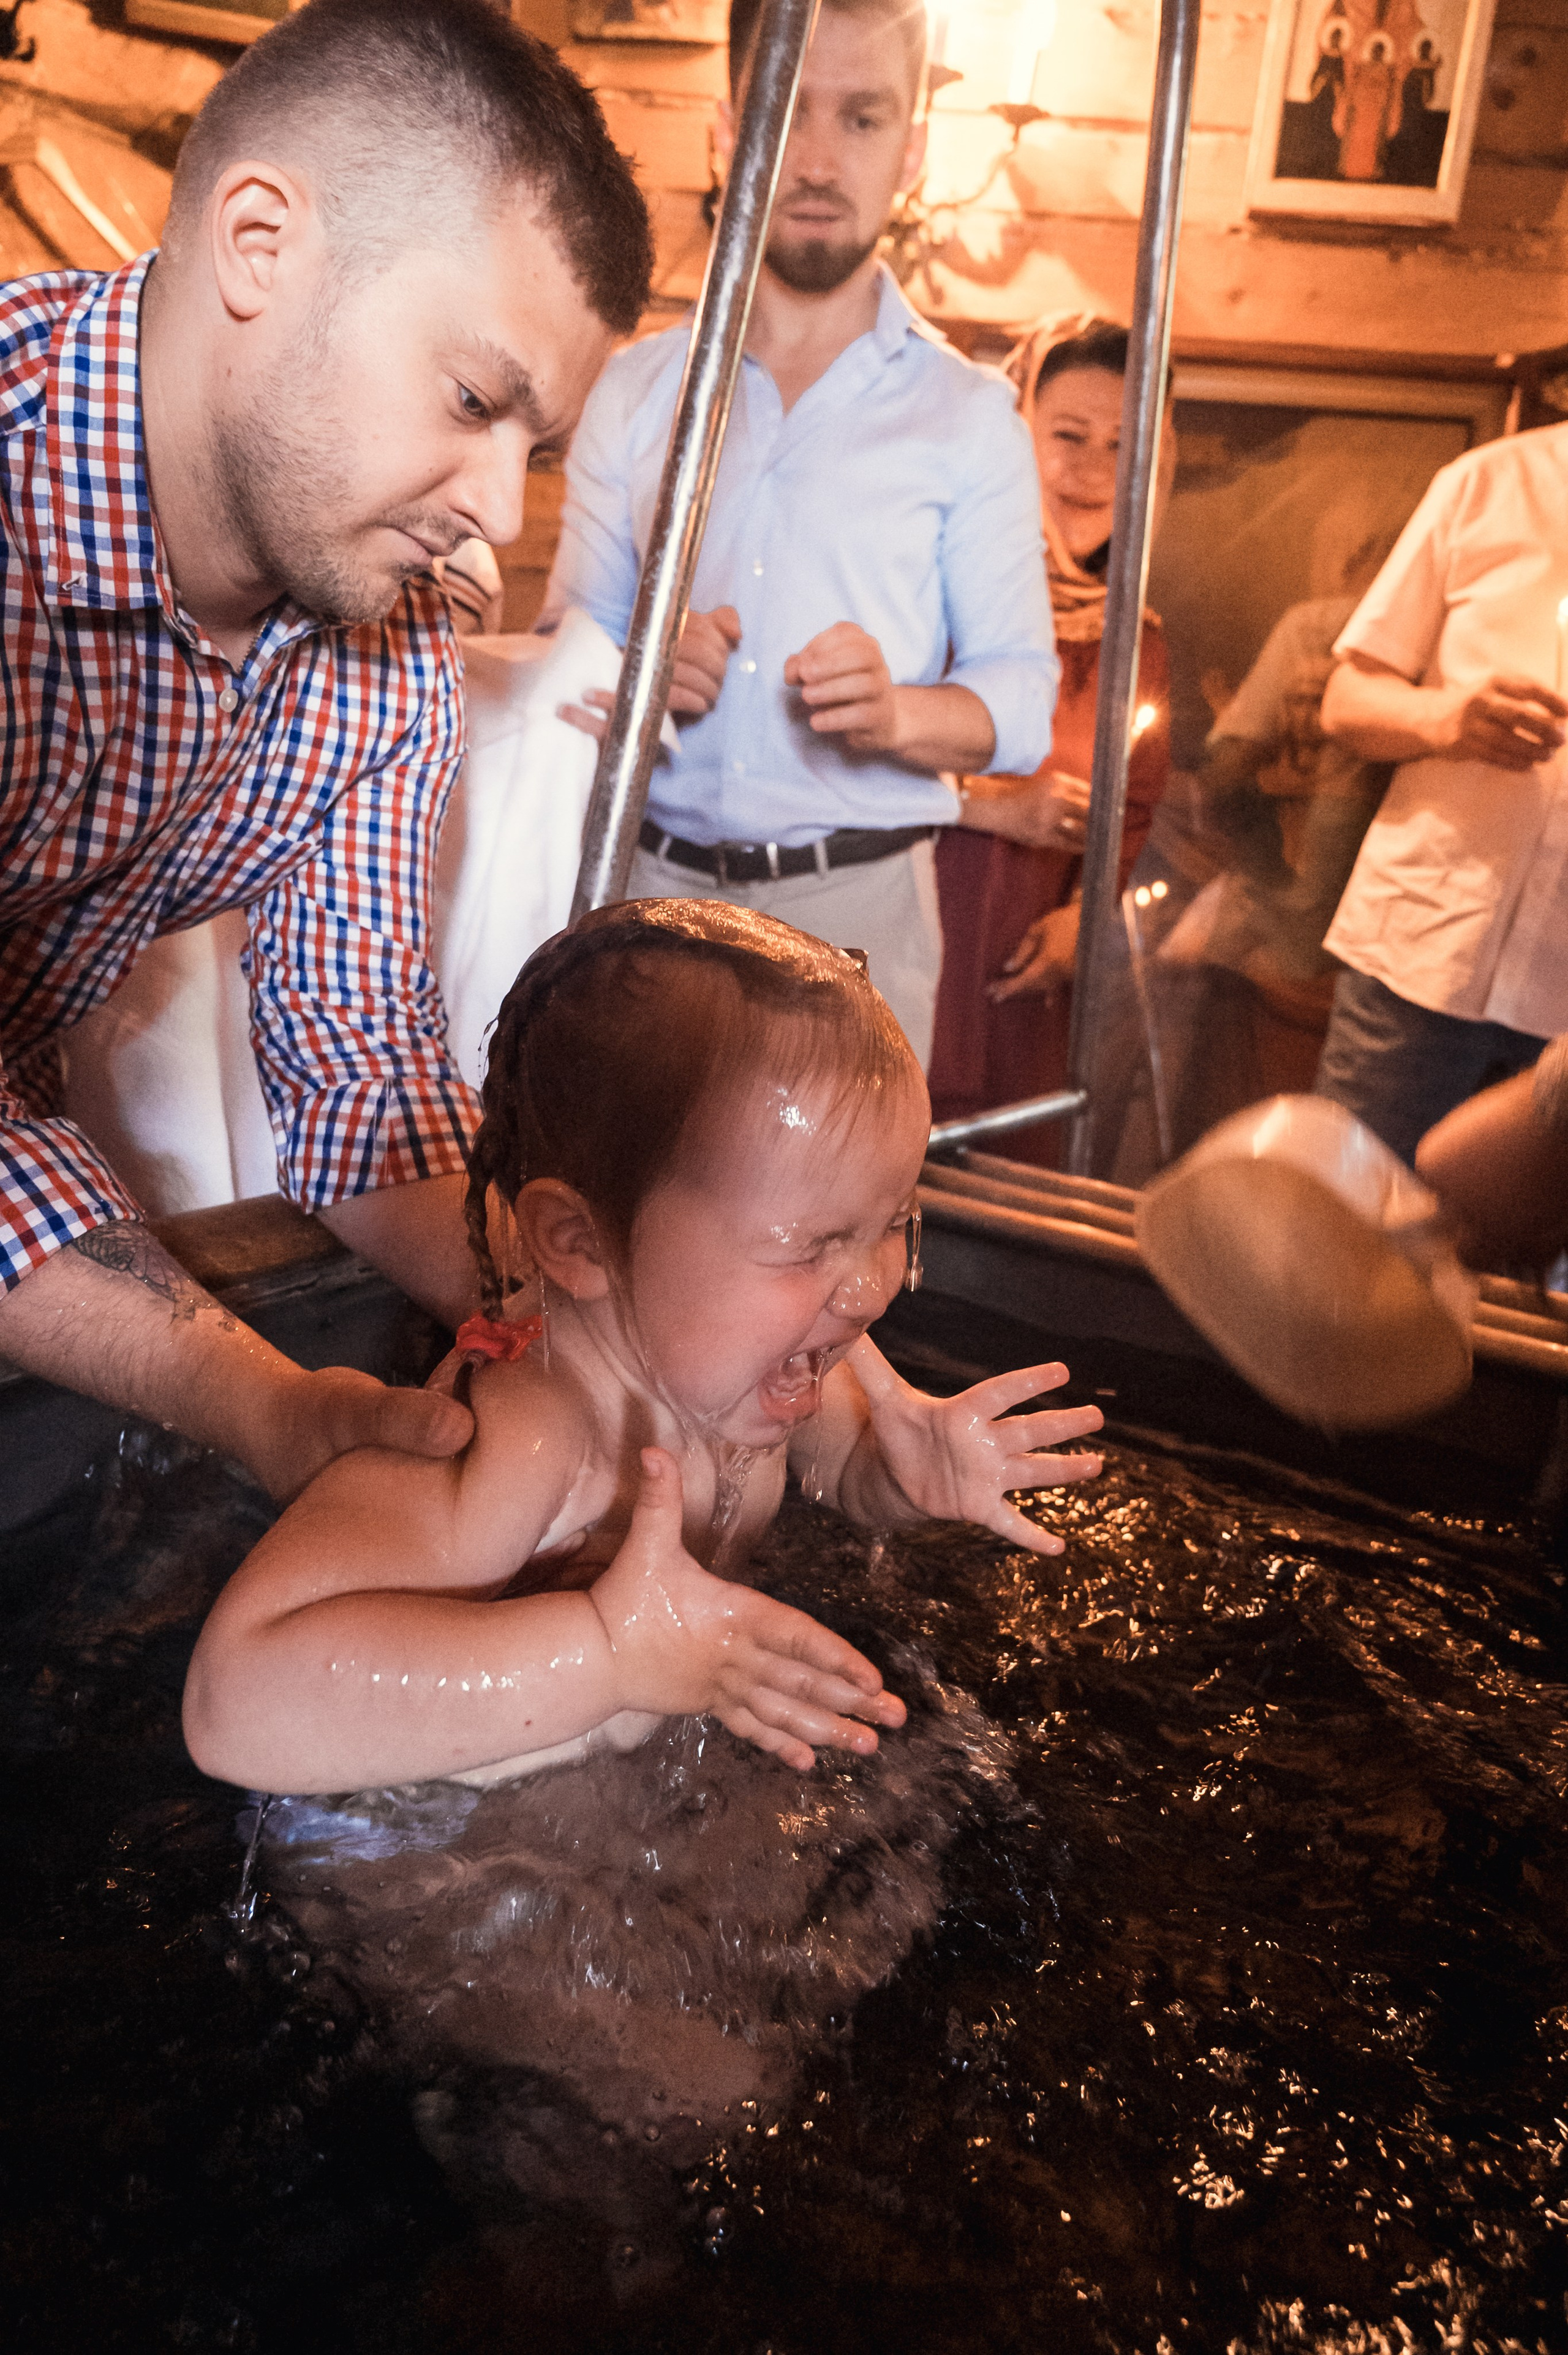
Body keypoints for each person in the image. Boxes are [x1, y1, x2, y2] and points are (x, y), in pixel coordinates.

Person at [0, 0, 652, 1499]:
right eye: (472, 400)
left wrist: (629, 1347)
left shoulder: (384, 639)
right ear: (260, 245)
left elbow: (358, 1065)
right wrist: (266, 1404)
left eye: (532, 447)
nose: (499, 511)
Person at [180, 902, 1106, 1796]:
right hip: (440, 1868)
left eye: (893, 1223)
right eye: (810, 1243)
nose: (870, 1287)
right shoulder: (526, 1434)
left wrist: (898, 1478)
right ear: (577, 1243)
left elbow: (848, 1465)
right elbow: (238, 1700)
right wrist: (604, 1652)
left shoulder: (758, 1367)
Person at [548, 0, 1056, 1069]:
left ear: (912, 150)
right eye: (788, 114)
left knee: (840, 1236)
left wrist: (898, 715)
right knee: (627, 1214)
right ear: (729, 136)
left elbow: (1021, 704)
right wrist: (636, 668)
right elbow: (559, 653)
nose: (818, 160)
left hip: (861, 914)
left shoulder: (972, 418)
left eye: (863, 120)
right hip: (643, 897)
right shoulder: (637, 391)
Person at [925, 317, 1170, 1166]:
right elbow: (847, 763)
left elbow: (1135, 812)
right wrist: (996, 810)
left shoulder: (1134, 642)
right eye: (1067, 436)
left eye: (1121, 443)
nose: (1092, 470)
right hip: (914, 941)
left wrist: (1085, 918)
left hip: (1029, 989)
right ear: (1012, 432)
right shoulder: (932, 593)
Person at [1315, 418, 1568, 1166]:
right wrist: (1447, 717)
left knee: (1529, 1275)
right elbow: (1346, 699)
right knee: (1345, 1230)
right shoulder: (1486, 484)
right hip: (1423, 955)